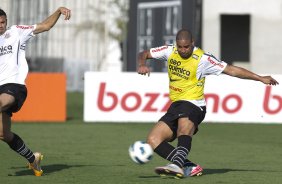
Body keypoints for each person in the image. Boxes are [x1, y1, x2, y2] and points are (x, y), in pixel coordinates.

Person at [137, 29, 279, 179]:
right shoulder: (169, 50)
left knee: (183, 131)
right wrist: (142, 64)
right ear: (176, 45)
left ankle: (176, 166)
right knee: (153, 140)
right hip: (176, 104)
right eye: (180, 47)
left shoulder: (203, 59)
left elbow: (231, 70)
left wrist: (259, 78)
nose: (183, 50)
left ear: (192, 43)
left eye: (186, 47)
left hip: (194, 104)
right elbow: (144, 53)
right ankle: (189, 166)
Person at [0, 7, 71, 176]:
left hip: (14, 87)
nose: (1, 26)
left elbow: (45, 26)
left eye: (3, 22)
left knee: (3, 101)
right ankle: (33, 159)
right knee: (4, 134)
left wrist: (59, 11)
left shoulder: (16, 32)